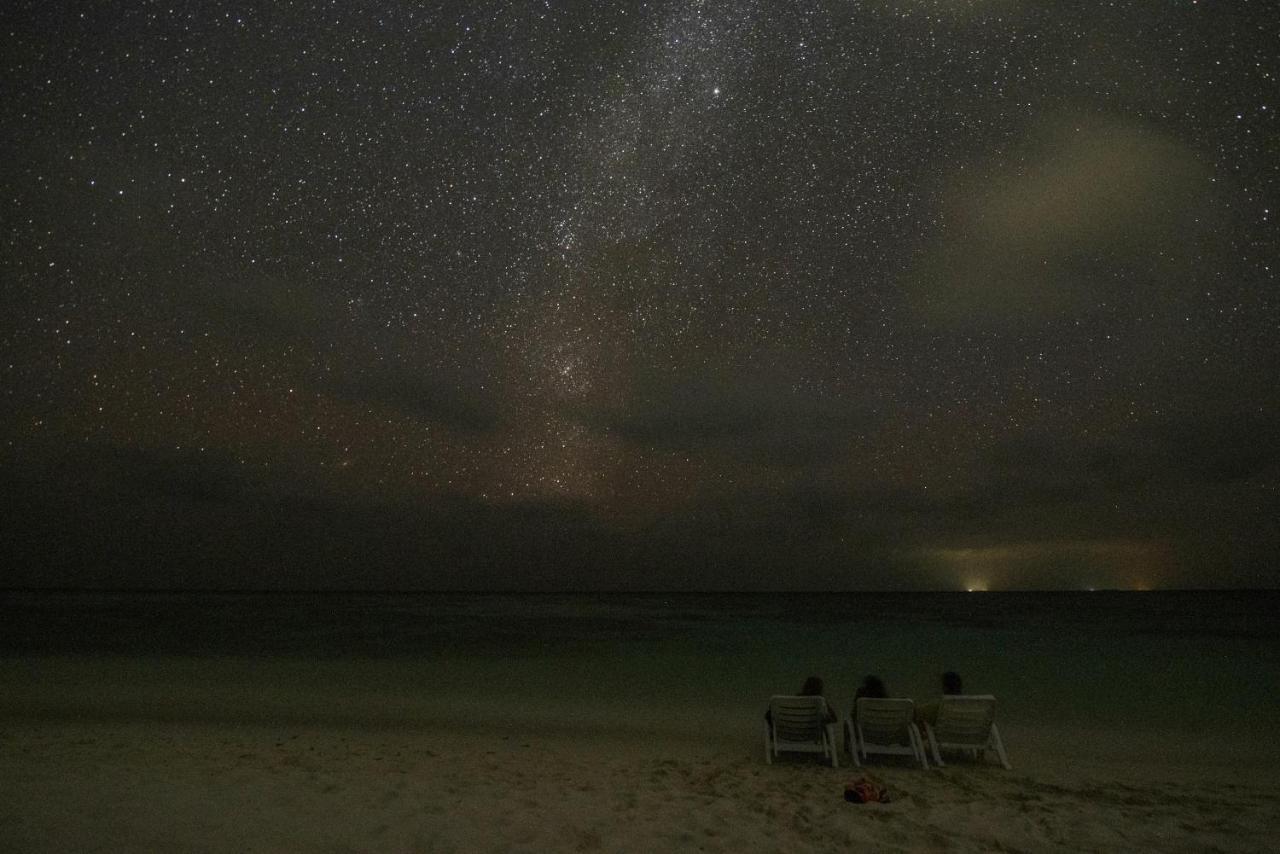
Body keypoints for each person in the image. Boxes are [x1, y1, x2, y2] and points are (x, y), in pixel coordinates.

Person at [766, 675, 837, 725]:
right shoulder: (821, 702)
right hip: (813, 736)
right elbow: (834, 719)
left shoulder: (795, 701)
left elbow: (767, 715)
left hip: (788, 734)